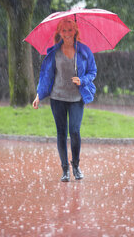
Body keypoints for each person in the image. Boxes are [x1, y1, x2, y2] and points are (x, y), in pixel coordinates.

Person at [33, 18, 97, 182]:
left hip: (76, 98)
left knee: (74, 132)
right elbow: (46, 76)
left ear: (75, 30)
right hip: (57, 98)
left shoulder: (84, 51)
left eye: (70, 30)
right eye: (64, 30)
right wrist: (39, 95)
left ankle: (75, 165)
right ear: (59, 32)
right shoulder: (53, 52)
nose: (67, 33)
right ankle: (65, 170)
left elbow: (93, 72)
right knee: (61, 133)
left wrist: (82, 80)